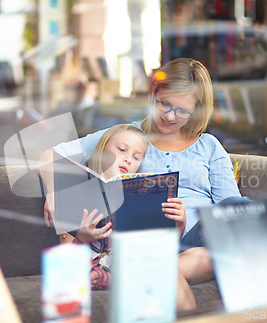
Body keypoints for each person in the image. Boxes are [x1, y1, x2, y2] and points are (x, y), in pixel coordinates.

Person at [38, 58, 243, 311]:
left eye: (182, 111)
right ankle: (149, 268)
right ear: (154, 93)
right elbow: (51, 155)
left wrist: (183, 222)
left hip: (196, 240)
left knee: (236, 213)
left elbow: (232, 211)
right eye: (164, 104)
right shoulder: (127, 139)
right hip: (147, 244)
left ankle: (140, 271)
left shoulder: (209, 146)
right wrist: (53, 192)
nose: (169, 116)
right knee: (217, 260)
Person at [51, 124, 187, 290]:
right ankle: (109, 278)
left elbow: (164, 248)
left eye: (137, 158)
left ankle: (117, 279)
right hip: (88, 270)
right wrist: (81, 239)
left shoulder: (142, 193)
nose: (128, 159)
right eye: (122, 149)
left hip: (137, 264)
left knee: (198, 257)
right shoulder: (75, 191)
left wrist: (179, 224)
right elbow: (64, 263)